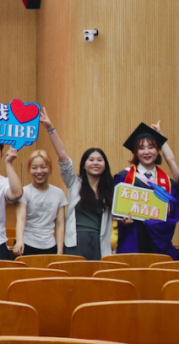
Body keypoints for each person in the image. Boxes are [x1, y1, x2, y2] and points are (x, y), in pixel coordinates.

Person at [43, 108, 115, 260]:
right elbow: (62, 156)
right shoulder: (74, 182)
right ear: (84, 164)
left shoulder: (111, 189)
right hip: (75, 241)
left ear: (105, 165)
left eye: (100, 160)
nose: (95, 163)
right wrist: (51, 129)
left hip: (99, 242)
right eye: (91, 160)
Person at [113, 122, 179, 258]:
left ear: (158, 150)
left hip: (157, 243)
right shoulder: (123, 178)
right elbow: (114, 216)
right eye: (141, 148)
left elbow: (173, 216)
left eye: (151, 147)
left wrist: (153, 223)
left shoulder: (167, 183)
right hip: (131, 239)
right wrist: (123, 223)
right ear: (135, 152)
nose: (147, 152)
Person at [13, 150, 67, 256]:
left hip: (50, 246)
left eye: (43, 167)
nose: (39, 171)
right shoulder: (24, 192)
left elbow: (60, 224)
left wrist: (60, 251)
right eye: (34, 168)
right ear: (29, 170)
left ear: (49, 168)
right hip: (27, 244)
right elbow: (21, 218)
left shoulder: (59, 193)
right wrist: (19, 241)